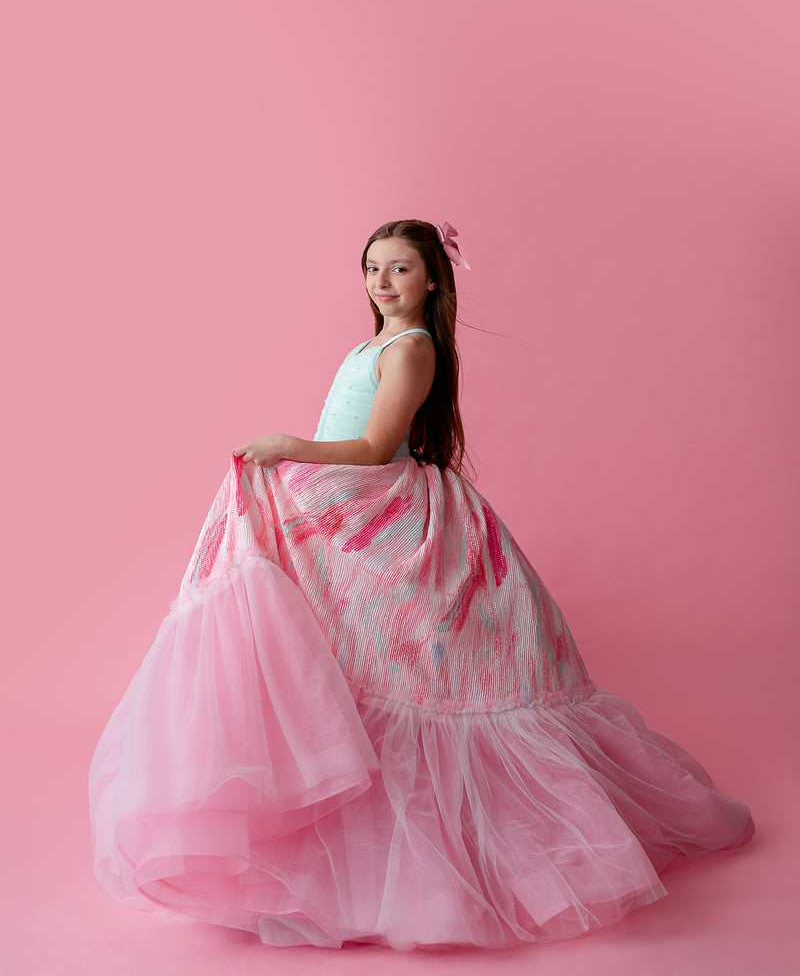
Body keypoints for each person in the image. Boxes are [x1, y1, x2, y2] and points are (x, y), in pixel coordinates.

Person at [89, 218, 754, 951]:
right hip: (348, 498)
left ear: (432, 279)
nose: (382, 282)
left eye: (400, 269)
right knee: (325, 645)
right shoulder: (369, 346)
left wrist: (286, 448)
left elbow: (375, 448)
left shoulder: (412, 349)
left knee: (412, 678)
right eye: (373, 267)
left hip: (386, 502)